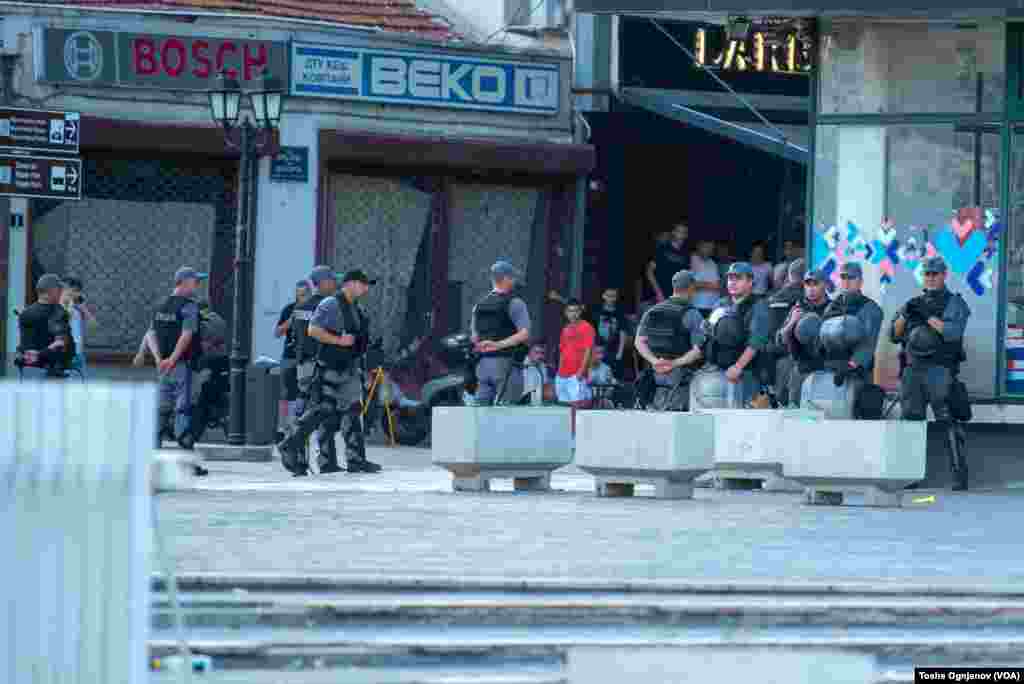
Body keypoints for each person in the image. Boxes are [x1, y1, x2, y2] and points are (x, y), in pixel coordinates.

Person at [276, 270, 382, 476]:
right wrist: (339, 341)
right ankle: (290, 444)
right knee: (324, 409)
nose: (366, 288)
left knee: (352, 410)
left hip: (349, 367)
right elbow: (313, 330)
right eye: (363, 284)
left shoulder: (355, 307)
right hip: (330, 367)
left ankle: (356, 460)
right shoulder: (330, 304)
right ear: (350, 284)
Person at [890, 256, 972, 491]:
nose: (931, 278)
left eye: (935, 274)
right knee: (911, 421)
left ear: (944, 275)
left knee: (947, 420)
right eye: (927, 274)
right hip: (913, 369)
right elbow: (894, 335)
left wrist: (926, 315)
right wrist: (905, 315)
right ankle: (909, 475)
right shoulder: (914, 302)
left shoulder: (954, 303)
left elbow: (952, 333)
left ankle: (959, 475)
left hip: (940, 368)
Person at [805, 261, 884, 411]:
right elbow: (821, 337)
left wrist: (850, 366)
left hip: (856, 374)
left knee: (852, 418)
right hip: (829, 371)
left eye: (851, 278)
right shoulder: (832, 305)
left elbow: (868, 346)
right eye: (843, 277)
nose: (846, 282)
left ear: (860, 281)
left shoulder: (870, 308)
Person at [145, 267, 206, 449]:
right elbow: (187, 334)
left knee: (162, 409)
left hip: (163, 367)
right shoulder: (189, 306)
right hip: (183, 365)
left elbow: (150, 334)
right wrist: (172, 359)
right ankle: (186, 457)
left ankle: (152, 453)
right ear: (185, 282)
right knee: (183, 410)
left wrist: (159, 359)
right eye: (196, 281)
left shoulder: (160, 304)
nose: (197, 286)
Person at [701, 262, 772, 408]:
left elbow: (756, 341)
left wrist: (738, 366)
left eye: (738, 278)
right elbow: (708, 334)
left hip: (747, 373)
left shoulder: (758, 305)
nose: (732, 282)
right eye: (730, 278)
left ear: (750, 281)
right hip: (718, 373)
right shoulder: (720, 303)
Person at [634, 270, 706, 411]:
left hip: (655, 379)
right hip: (681, 381)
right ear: (691, 288)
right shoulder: (692, 314)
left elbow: (639, 342)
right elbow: (698, 351)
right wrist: (673, 364)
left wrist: (655, 361)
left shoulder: (652, 311)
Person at [471, 260, 531, 405]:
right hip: (506, 365)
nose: (515, 281)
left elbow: (474, 337)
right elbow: (524, 334)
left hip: (483, 366)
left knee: (481, 411)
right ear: (505, 279)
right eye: (513, 277)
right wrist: (498, 345)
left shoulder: (478, 305)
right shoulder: (515, 303)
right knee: (508, 411)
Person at [777, 267, 830, 407]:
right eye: (808, 284)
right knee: (794, 412)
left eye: (815, 284)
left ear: (824, 285)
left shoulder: (833, 308)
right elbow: (779, 340)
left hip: (825, 369)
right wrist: (792, 322)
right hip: (801, 368)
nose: (811, 289)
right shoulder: (798, 308)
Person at [763, 258, 807, 403]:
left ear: (789, 276)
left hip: (771, 350)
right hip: (791, 351)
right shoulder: (804, 299)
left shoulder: (772, 299)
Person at [16, 273, 74, 380]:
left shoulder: (26, 313)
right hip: (52, 374)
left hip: (28, 372)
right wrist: (40, 354)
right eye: (59, 289)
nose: (61, 292)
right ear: (52, 291)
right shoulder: (59, 312)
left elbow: (25, 346)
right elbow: (60, 343)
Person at [275, 280, 310, 439]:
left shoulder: (314, 309)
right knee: (284, 393)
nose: (301, 297)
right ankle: (282, 428)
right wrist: (291, 319)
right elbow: (277, 332)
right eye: (299, 294)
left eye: (304, 294)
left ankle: (299, 427)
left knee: (304, 393)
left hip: (306, 357)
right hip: (289, 356)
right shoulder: (289, 309)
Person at [556, 298, 596, 403]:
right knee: (563, 406)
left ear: (580, 311)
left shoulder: (587, 327)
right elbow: (562, 351)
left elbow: (588, 351)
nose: (573, 314)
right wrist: (559, 372)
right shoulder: (565, 329)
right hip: (562, 375)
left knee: (577, 407)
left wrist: (580, 373)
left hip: (576, 375)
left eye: (575, 311)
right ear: (565, 313)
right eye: (570, 311)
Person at [591, 287, 630, 379]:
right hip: (598, 349)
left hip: (613, 349)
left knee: (612, 377)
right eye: (608, 296)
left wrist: (620, 352)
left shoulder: (619, 312)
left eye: (613, 296)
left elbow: (622, 332)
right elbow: (591, 330)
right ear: (603, 296)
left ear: (616, 298)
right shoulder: (596, 311)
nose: (610, 298)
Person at [61, 277, 96, 378]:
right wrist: (70, 304)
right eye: (65, 290)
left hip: (77, 348)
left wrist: (83, 308)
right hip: (65, 349)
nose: (69, 293)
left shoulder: (77, 307)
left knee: (79, 375)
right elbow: (66, 315)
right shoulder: (60, 306)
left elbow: (91, 321)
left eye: (76, 291)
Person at [647, 223, 690, 304]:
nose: (681, 234)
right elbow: (649, 272)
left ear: (686, 235)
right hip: (661, 297)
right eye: (679, 231)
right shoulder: (662, 248)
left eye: (684, 232)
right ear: (673, 232)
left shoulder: (686, 254)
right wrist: (658, 293)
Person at [690, 238, 721, 318]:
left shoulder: (712, 263)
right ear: (699, 246)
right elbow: (689, 283)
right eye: (707, 247)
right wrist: (712, 286)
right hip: (698, 306)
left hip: (713, 306)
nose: (709, 250)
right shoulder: (691, 259)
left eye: (712, 248)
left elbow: (718, 284)